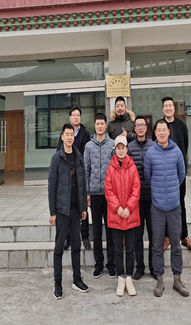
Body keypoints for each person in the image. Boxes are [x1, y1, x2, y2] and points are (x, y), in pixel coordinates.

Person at [145, 119, 188, 298]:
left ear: (168, 132)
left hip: (174, 206)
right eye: (159, 130)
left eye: (164, 130)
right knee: (157, 245)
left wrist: (171, 190)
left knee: (176, 245)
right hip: (157, 207)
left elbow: (181, 174)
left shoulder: (176, 151)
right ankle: (160, 279)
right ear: (155, 133)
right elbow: (148, 176)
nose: (162, 133)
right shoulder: (150, 153)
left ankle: (177, 279)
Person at [48, 124, 89, 300]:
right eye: (67, 134)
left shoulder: (79, 157)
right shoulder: (57, 158)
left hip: (76, 209)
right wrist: (52, 212)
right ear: (62, 137)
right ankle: (57, 282)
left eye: (72, 134)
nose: (70, 137)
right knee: (59, 247)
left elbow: (83, 183)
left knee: (77, 245)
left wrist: (84, 208)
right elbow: (52, 186)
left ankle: (77, 279)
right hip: (62, 210)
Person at [153, 96, 191, 251]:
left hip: (177, 174)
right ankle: (167, 236)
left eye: (170, 106)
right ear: (162, 109)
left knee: (180, 203)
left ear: (174, 108)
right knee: (164, 206)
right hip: (162, 174)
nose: (168, 108)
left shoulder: (181, 126)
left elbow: (185, 146)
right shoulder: (159, 126)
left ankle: (184, 235)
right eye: (166, 106)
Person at [105, 135, 141, 297]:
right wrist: (118, 208)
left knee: (130, 248)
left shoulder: (132, 167)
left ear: (127, 149)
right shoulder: (110, 168)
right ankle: (121, 278)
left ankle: (129, 278)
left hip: (130, 214)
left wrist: (129, 207)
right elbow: (108, 190)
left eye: (123, 147)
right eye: (118, 148)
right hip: (116, 214)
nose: (120, 150)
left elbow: (136, 189)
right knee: (118, 249)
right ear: (115, 149)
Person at [84, 113, 116, 279]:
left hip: (109, 195)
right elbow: (86, 171)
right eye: (97, 124)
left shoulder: (112, 144)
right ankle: (98, 264)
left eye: (102, 124)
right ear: (95, 126)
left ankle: (111, 264)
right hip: (95, 194)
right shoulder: (89, 146)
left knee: (110, 231)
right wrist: (87, 193)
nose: (100, 126)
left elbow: (116, 170)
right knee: (96, 231)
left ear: (105, 125)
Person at [56, 106, 91, 250]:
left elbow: (87, 152)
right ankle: (67, 238)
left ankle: (85, 237)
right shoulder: (65, 134)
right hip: (67, 175)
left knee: (82, 206)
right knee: (69, 208)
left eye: (78, 115)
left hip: (80, 172)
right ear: (70, 117)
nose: (76, 117)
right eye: (74, 115)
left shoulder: (85, 133)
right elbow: (59, 153)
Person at [127, 116, 155, 280]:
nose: (140, 128)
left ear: (146, 127)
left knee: (153, 234)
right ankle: (140, 267)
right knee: (137, 236)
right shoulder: (130, 147)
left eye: (142, 125)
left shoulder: (153, 146)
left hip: (151, 197)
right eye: (137, 125)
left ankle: (153, 267)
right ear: (135, 128)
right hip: (136, 199)